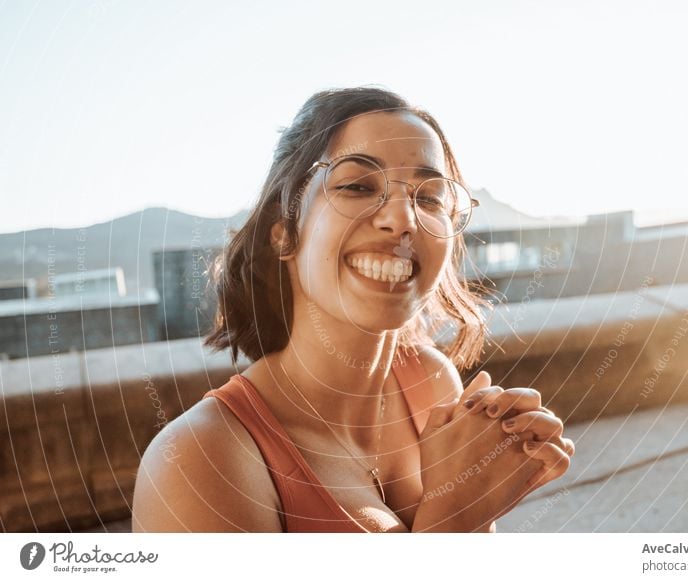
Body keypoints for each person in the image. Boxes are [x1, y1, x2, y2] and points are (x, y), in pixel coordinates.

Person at [131, 87, 574, 532]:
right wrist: (458, 513)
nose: (402, 219)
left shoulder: (430, 382)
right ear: (283, 232)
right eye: (358, 186)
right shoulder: (198, 460)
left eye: (429, 197)